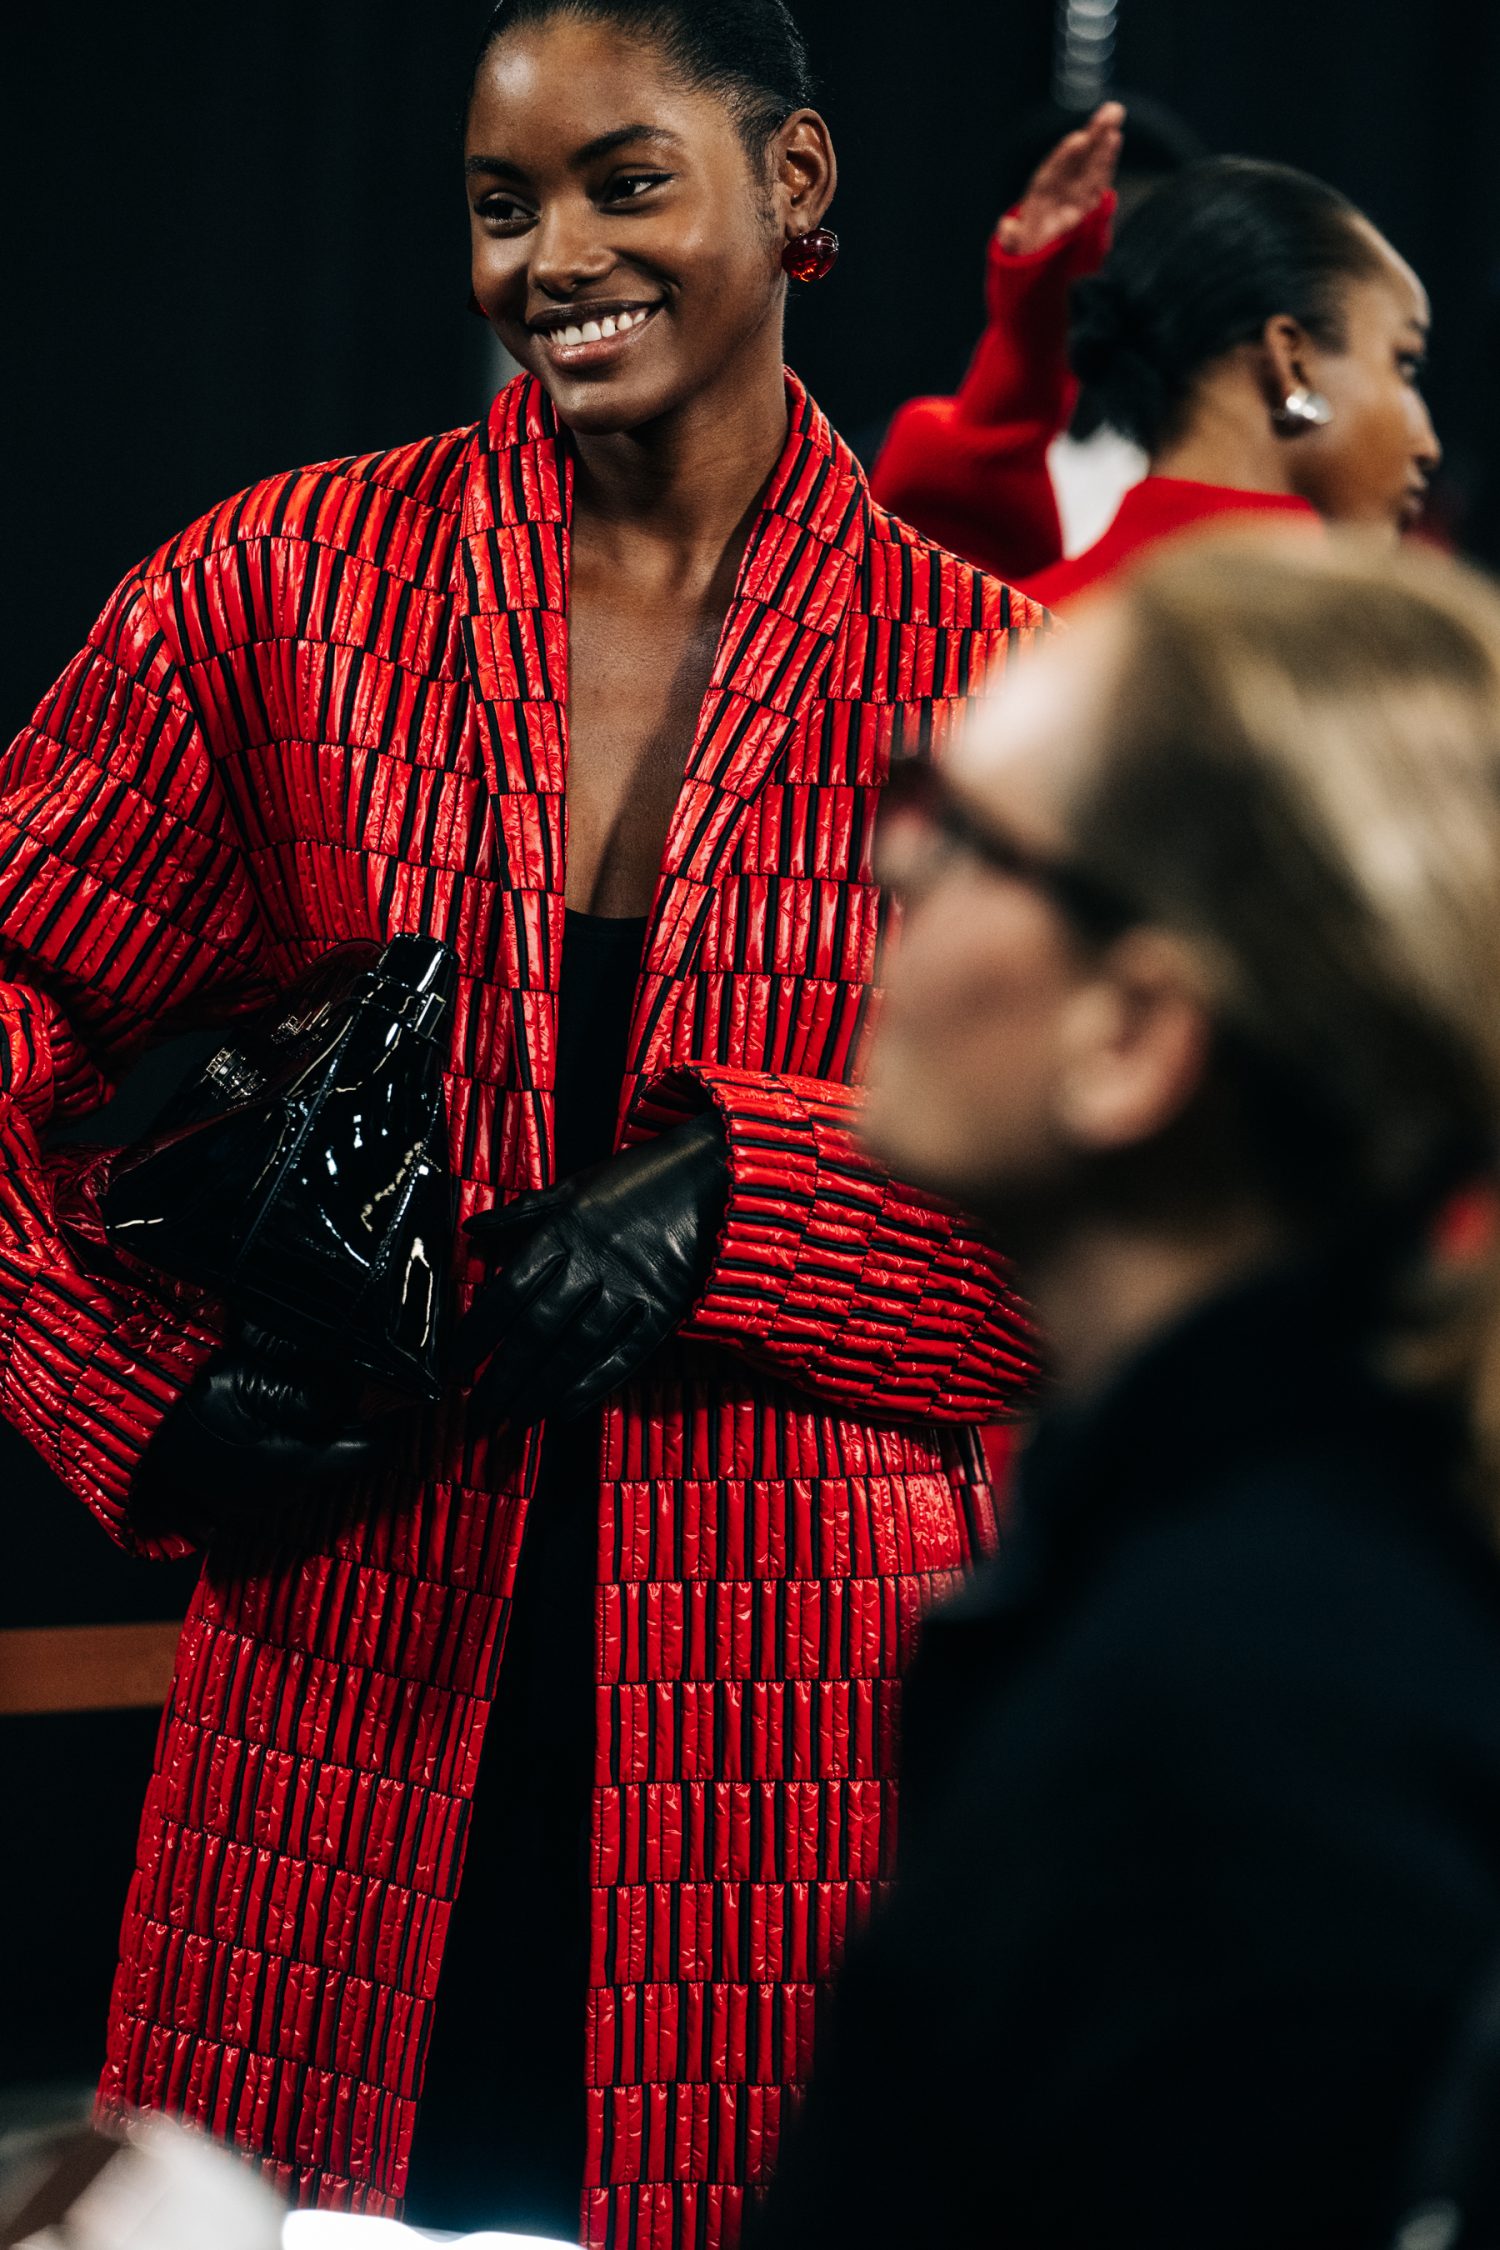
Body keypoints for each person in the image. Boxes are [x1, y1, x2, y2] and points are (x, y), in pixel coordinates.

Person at [0, 3, 1041, 2244]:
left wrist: (752, 1196)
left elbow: (1145, 1225)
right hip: (337, 1708)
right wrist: (115, 1381)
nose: (554, 254)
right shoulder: (286, 594)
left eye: (623, 179)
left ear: (797, 182)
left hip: (798, 1752)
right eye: (502, 203)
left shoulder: (1003, 683)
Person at [755, 535, 1500, 2250]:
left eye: (963, 832)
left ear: (1134, 1035)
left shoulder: (1226, 1749)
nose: (884, 858)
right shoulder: (1303, 1550)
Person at [873, 140, 1441, 607]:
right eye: (1405, 363)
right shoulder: (1389, 654)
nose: (1429, 447)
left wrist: (1027, 355)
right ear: (1291, 361)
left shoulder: (1003, 639)